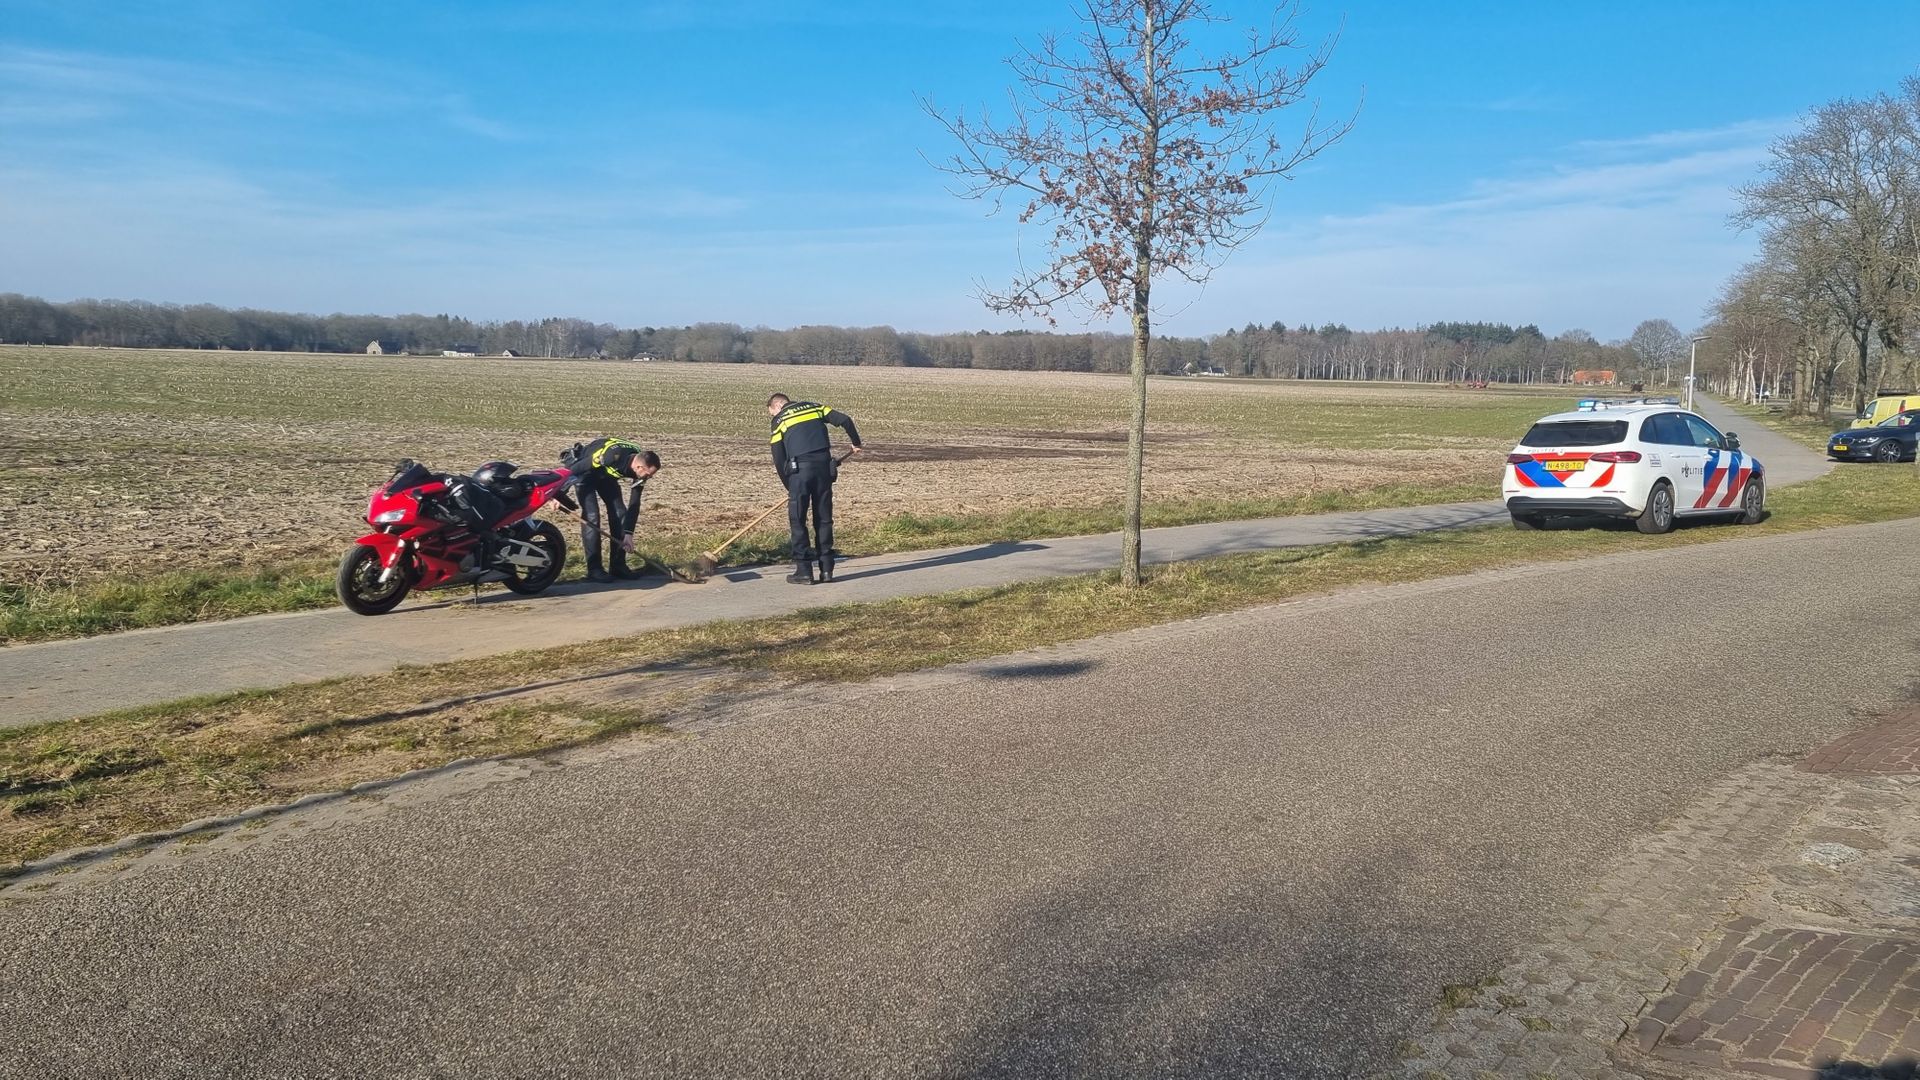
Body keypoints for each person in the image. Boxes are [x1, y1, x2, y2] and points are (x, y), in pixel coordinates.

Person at [767, 393, 861, 584]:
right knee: (824, 519)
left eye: (770, 412)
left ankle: (804, 571)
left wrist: (789, 486)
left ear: (775, 407)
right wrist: (856, 442)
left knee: (798, 520)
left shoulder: (780, 419)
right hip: (824, 469)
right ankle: (827, 570)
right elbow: (845, 419)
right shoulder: (814, 407)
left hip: (799, 472)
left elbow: (778, 457)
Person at [560, 438, 661, 582]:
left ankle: (618, 566)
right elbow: (574, 469)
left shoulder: (640, 467)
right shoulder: (613, 455)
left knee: (620, 513)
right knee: (592, 516)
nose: (649, 478)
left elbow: (635, 503)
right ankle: (594, 569)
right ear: (639, 467)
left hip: (605, 475)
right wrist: (556, 494)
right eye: (649, 475)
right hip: (585, 472)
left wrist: (628, 534)